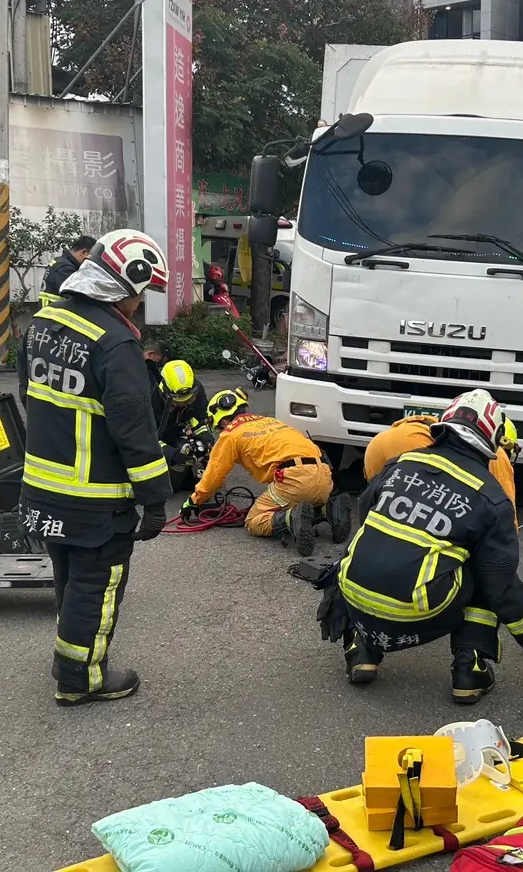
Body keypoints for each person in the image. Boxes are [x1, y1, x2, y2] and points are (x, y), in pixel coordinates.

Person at [326, 389, 523, 703]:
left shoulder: (400, 463)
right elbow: (502, 588)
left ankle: (362, 648)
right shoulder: (491, 498)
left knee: (373, 546)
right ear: (493, 439)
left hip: (353, 594)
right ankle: (470, 667)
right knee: (483, 571)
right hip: (414, 609)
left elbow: (366, 513)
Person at [17, 228, 175, 707]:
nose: (139, 304)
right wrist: (155, 499)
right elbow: (135, 429)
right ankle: (80, 678)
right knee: (96, 585)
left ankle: (71, 658)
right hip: (94, 497)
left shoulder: (42, 324)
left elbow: (30, 394)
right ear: (125, 284)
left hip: (42, 487)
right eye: (141, 293)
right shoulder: (114, 343)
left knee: (69, 579)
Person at [184, 389, 343, 554]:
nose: (220, 430)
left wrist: (193, 501)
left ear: (222, 420)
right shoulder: (272, 422)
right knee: (300, 498)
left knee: (253, 521)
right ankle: (327, 509)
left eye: (218, 426)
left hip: (295, 480)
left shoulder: (231, 434)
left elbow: (214, 475)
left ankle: (290, 519)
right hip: (324, 476)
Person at [363, 411, 521, 506]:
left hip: (379, 445)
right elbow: (505, 519)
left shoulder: (450, 430)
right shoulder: (499, 457)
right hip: (407, 448)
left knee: (382, 509)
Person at [152, 359, 210, 490]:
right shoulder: (150, 397)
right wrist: (171, 453)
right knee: (168, 483)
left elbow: (200, 418)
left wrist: (206, 437)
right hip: (159, 439)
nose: (184, 404)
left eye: (189, 400)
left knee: (198, 452)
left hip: (179, 431)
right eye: (179, 401)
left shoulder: (197, 389)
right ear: (165, 391)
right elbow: (145, 437)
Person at [39, 234, 97, 306]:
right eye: (93, 258)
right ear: (84, 253)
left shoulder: (60, 262)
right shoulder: (65, 269)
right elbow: (78, 299)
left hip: (50, 310)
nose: (92, 262)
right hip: (54, 312)